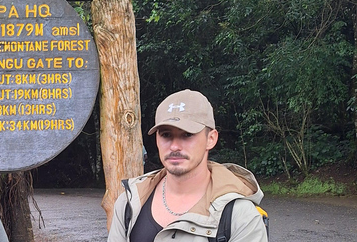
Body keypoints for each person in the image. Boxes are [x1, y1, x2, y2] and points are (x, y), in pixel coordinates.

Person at [108, 90, 267, 242]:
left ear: (211, 139)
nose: (175, 146)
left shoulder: (240, 216)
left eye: (187, 134)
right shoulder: (129, 204)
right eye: (166, 135)